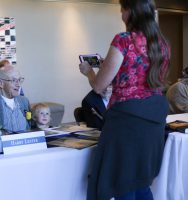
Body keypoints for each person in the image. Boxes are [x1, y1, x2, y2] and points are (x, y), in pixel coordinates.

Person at [79, 0, 170, 199]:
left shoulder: (124, 40)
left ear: (130, 11)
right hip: (155, 118)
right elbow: (144, 78)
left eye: (122, 9)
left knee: (122, 183)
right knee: (141, 182)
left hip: (127, 121)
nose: (121, 14)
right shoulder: (161, 43)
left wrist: (88, 72)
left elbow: (99, 86)